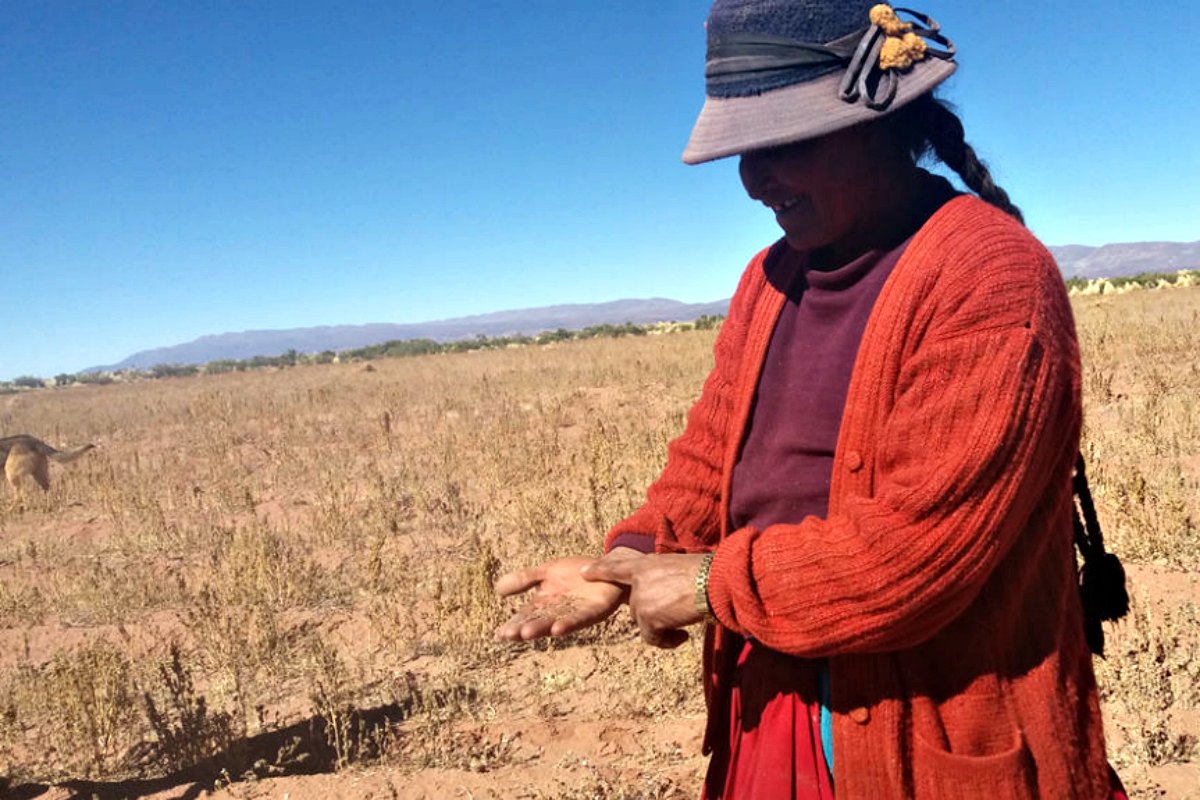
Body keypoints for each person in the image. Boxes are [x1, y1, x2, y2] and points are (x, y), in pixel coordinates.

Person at [496, 2, 1126, 797]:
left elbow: (914, 554)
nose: (754, 181)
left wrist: (707, 584)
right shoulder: (768, 278)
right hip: (776, 696)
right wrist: (632, 555)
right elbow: (711, 457)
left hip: (934, 716)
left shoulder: (991, 277)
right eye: (743, 151)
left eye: (780, 144)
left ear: (877, 123)